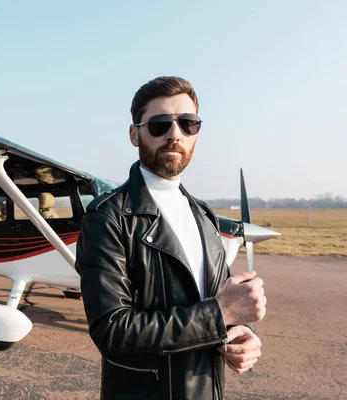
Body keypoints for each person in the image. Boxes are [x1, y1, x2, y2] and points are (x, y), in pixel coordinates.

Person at [75, 76, 266, 399]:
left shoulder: (203, 215)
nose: (175, 134)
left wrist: (243, 333)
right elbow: (112, 331)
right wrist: (221, 315)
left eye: (188, 124)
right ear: (135, 134)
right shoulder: (107, 216)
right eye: (160, 124)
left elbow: (220, 300)